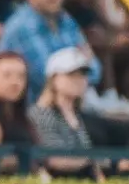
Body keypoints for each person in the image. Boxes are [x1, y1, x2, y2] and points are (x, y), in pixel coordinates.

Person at [0, 0, 89, 99]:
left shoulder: (65, 19)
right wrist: (79, 67)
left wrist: (76, 73)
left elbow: (95, 70)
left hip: (69, 101)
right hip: (34, 107)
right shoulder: (22, 26)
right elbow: (47, 76)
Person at [28, 48, 99, 177]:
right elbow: (54, 159)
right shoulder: (40, 113)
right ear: (54, 78)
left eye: (83, 74)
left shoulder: (84, 115)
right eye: (71, 74)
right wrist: (93, 160)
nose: (79, 79)